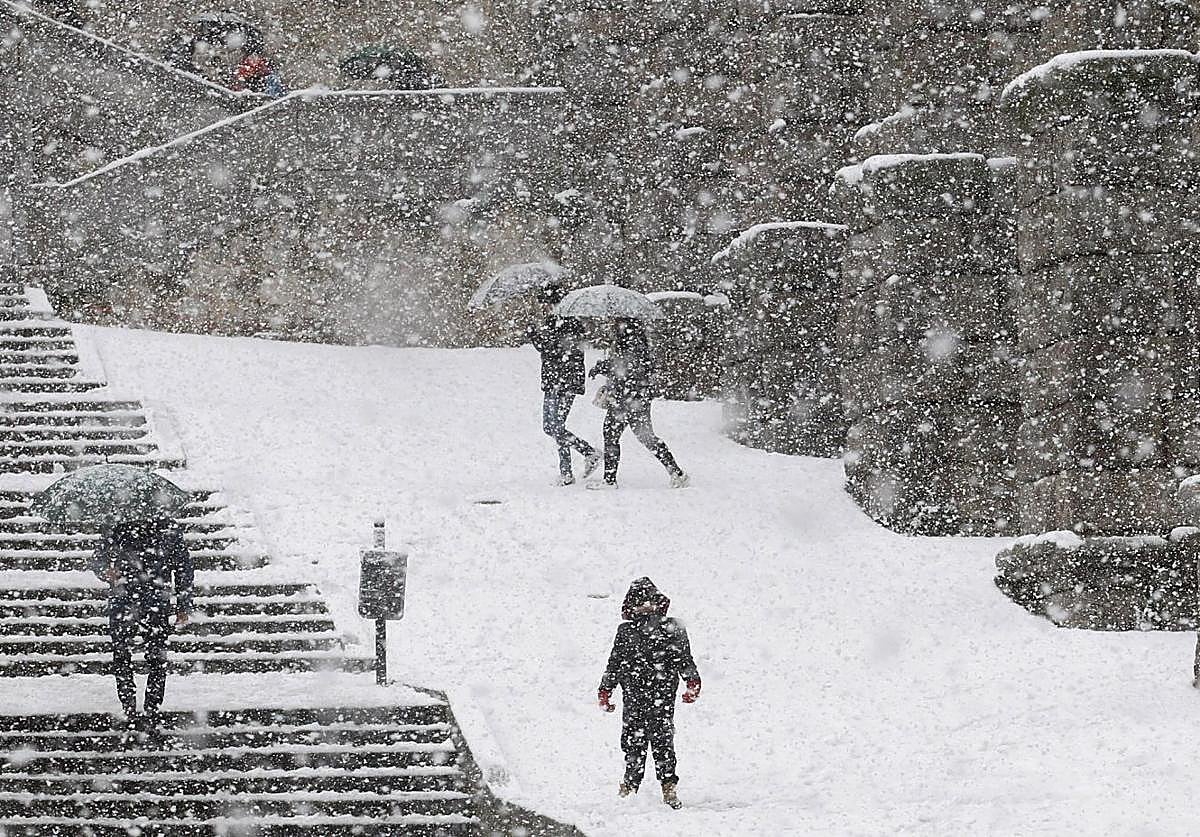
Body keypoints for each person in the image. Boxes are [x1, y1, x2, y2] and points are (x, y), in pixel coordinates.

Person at [598, 577, 701, 809]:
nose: (644, 606)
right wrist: (606, 689)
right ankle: (630, 786)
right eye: (639, 602)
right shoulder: (625, 631)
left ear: (657, 602)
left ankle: (668, 787)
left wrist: (692, 682)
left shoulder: (673, 627)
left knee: (663, 740)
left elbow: (684, 659)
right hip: (633, 695)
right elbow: (614, 663)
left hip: (662, 695)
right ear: (631, 605)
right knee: (633, 741)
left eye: (648, 601)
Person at [90, 518, 193, 730]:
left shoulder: (122, 523)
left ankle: (139, 706)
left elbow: (183, 568)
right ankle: (142, 707)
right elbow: (183, 569)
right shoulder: (161, 527)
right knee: (142, 654)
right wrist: (105, 570)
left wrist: (183, 605)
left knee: (138, 654)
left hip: (136, 597)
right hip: (142, 597)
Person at [588, 319, 688, 489]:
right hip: (636, 398)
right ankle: (676, 473)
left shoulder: (629, 344)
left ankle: (610, 480)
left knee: (611, 435)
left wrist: (603, 367)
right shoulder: (638, 343)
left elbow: (623, 369)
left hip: (626, 399)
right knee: (646, 437)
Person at [527, 285, 599, 485]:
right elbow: (550, 349)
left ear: (554, 303)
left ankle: (568, 471)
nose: (542, 307)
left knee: (556, 427)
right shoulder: (555, 321)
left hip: (564, 382)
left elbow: (551, 349)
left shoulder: (566, 323)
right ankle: (586, 454)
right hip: (555, 381)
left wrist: (534, 334)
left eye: (544, 303)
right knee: (550, 427)